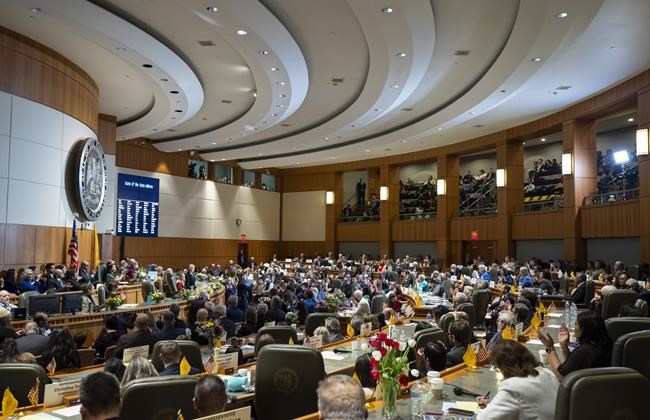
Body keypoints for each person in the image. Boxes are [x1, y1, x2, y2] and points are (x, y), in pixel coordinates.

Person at [476, 340, 559, 419]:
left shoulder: (513, 386)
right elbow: (532, 405)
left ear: (504, 366)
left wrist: (488, 409)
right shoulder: (547, 372)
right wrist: (493, 405)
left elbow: (484, 418)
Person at [538, 311, 612, 380]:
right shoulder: (604, 344)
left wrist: (550, 348)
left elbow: (560, 376)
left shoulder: (584, 351)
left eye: (576, 324)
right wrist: (564, 345)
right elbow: (573, 366)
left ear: (583, 329)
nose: (574, 328)